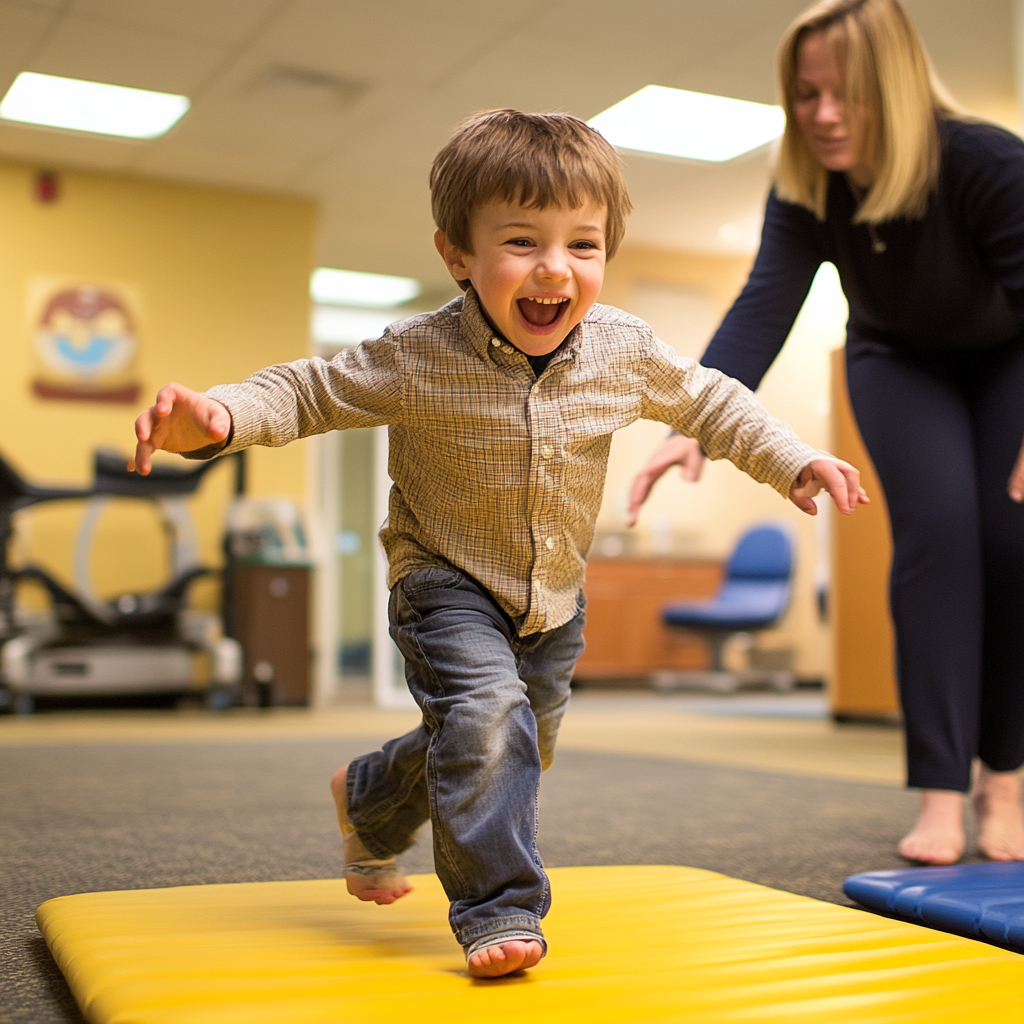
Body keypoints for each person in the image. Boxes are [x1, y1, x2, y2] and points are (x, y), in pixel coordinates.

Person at [130, 109, 865, 978]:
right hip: (442, 578)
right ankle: (499, 909)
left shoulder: (622, 349)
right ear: (458, 255)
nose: (556, 268)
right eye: (521, 241)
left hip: (553, 594)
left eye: (584, 246)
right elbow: (306, 392)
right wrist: (218, 418)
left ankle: (370, 797)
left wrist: (792, 458)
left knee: (516, 743)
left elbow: (714, 401)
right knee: (486, 720)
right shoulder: (416, 353)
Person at [628, 0, 1024, 868]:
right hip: (895, 359)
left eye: (848, 95)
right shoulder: (808, 181)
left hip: (1010, 357)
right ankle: (938, 790)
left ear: (902, 86)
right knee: (938, 540)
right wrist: (694, 420)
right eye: (806, 95)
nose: (825, 116)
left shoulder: (986, 161)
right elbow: (767, 299)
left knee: (1009, 542)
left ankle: (1005, 778)